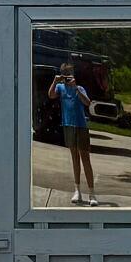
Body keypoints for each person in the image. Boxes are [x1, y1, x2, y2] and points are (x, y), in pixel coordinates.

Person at [50, 62, 97, 205]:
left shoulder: (79, 88)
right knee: (75, 158)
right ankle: (77, 190)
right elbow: (51, 95)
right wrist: (55, 81)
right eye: (65, 76)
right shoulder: (60, 87)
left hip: (81, 126)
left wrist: (76, 87)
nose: (67, 79)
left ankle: (92, 193)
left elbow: (87, 103)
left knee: (85, 159)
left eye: (69, 75)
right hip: (68, 125)